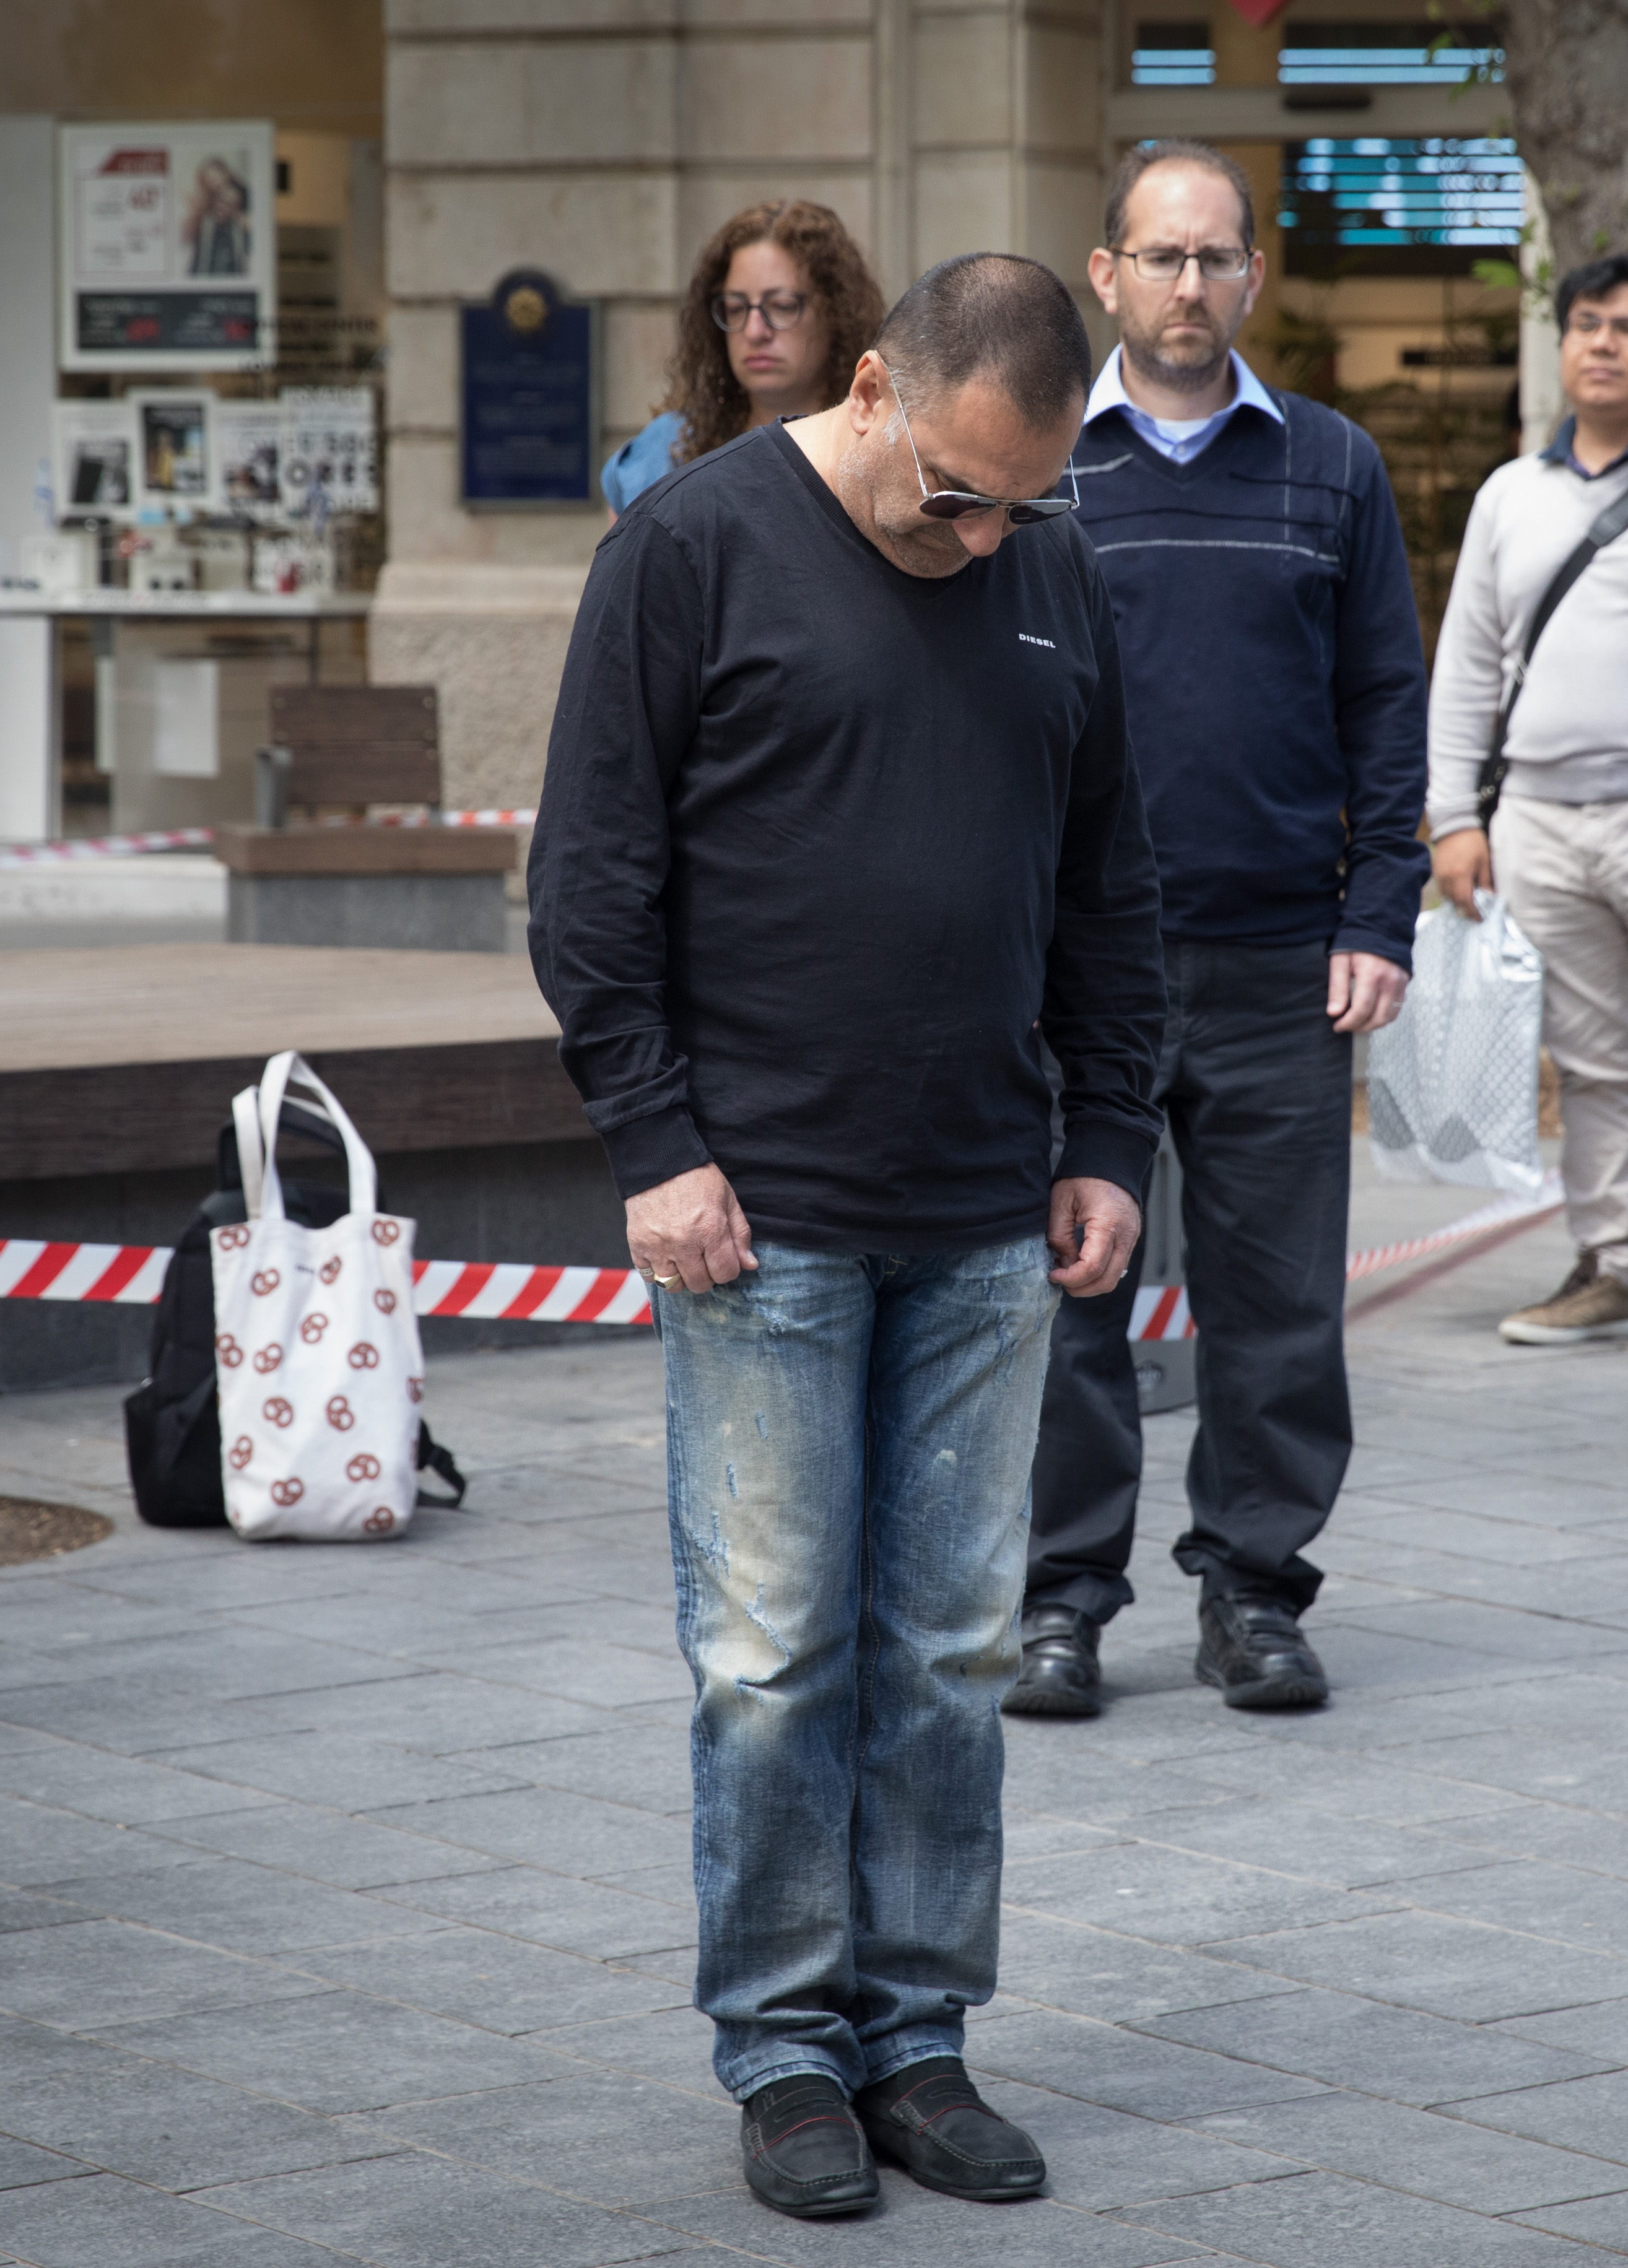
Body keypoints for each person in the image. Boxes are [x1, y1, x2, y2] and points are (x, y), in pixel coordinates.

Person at [527, 253, 1165, 2220]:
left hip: (985, 1208)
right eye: (953, 494)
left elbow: (1105, 880)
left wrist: (1109, 1131)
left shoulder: (1048, 566)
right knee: (771, 1654)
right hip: (760, 1214)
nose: (978, 539)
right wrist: (655, 1141)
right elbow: (590, 878)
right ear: (874, 386)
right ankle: (789, 2047)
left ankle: (918, 2034)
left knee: (952, 1649)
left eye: (1019, 506)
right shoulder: (689, 550)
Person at [1006, 141, 1426, 1721]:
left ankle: (1253, 1592)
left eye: (1213, 257)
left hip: (1275, 966)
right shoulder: (1040, 466)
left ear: (1251, 276)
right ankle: (1058, 1601)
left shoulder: (1331, 466)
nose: (1187, 284)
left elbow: (1384, 704)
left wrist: (1377, 909)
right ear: (1103, 274)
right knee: (1067, 1299)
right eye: (1158, 256)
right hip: (1078, 974)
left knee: (1279, 1310)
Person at [1426, 253, 1628, 1357]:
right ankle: (1607, 1264)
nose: (1601, 343)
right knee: (1590, 1062)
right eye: (1584, 323)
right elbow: (1467, 664)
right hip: (1536, 822)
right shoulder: (1509, 493)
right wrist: (1452, 818)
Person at [602, 201, 887, 515]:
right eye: (735, 308)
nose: (754, 332)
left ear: (836, 313)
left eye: (782, 306)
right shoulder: (667, 450)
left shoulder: (885, 444)